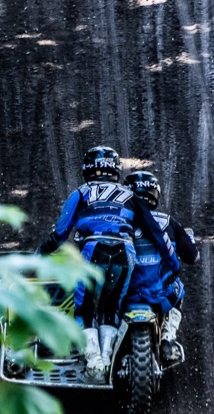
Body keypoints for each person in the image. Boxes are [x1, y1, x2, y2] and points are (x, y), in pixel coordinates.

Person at [39, 146, 181, 381]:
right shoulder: (131, 196)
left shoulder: (81, 192)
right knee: (111, 306)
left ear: (87, 169)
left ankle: (93, 362)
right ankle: (106, 361)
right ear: (115, 170)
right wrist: (174, 264)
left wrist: (39, 254)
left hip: (93, 248)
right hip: (125, 251)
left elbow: (60, 232)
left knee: (84, 305)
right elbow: (156, 232)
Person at [123, 171, 198, 363]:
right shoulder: (168, 221)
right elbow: (192, 257)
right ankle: (167, 337)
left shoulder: (120, 221)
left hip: (126, 294)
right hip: (160, 295)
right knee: (179, 288)